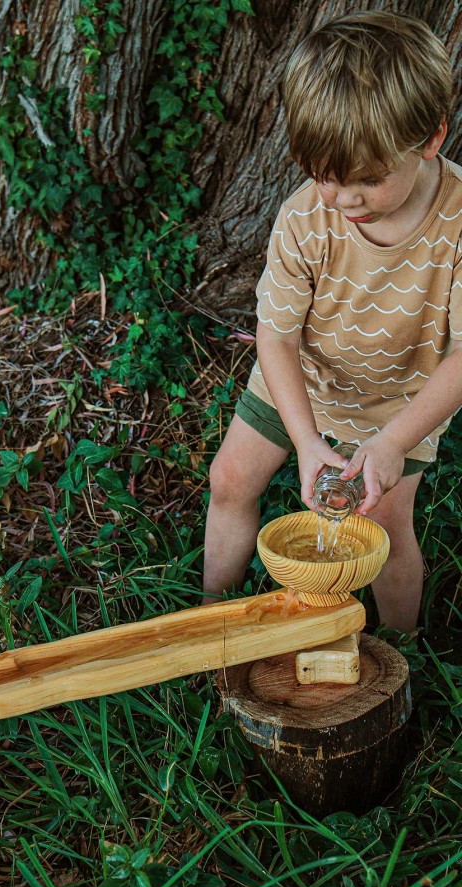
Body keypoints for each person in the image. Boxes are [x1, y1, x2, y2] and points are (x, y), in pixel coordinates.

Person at [203, 10, 462, 634]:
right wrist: (305, 441)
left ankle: (401, 650)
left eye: (368, 181)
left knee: (387, 530)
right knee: (230, 478)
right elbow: (278, 336)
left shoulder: (458, 223)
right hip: (305, 385)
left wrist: (394, 441)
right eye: (325, 177)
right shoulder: (303, 219)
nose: (344, 201)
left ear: (430, 139)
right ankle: (213, 623)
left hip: (401, 403)